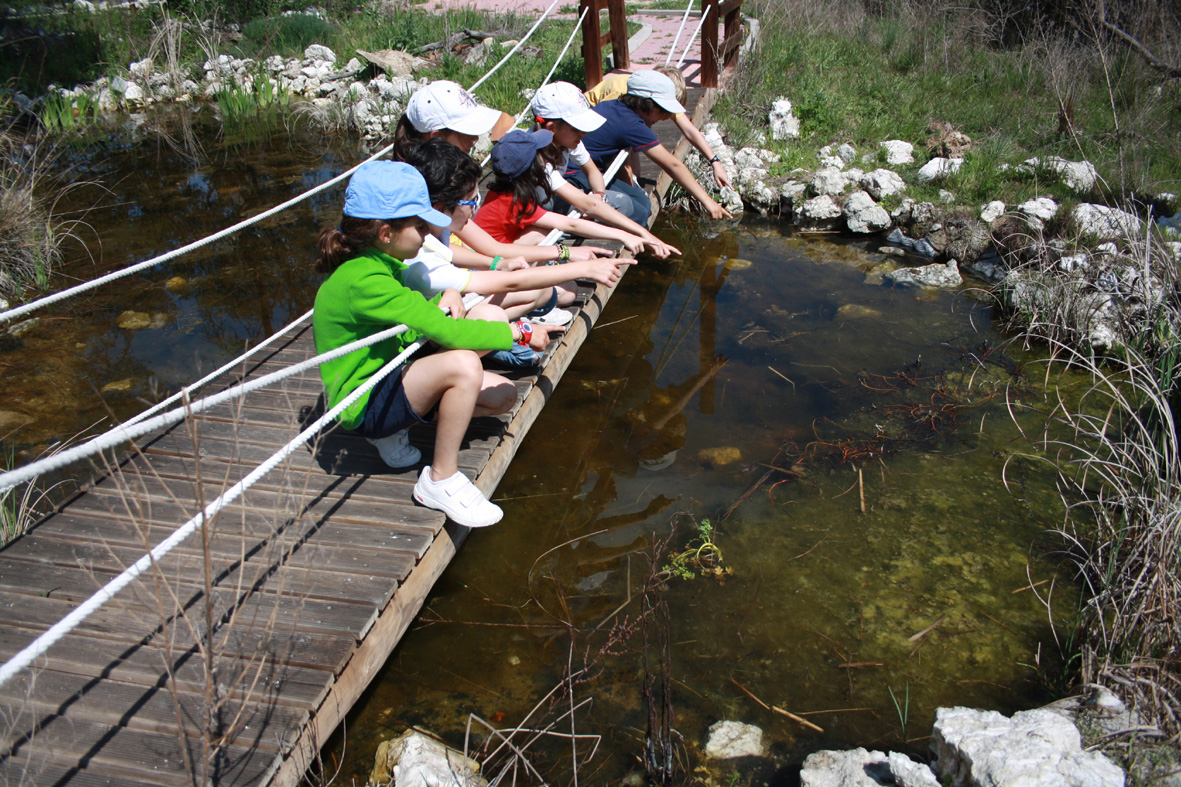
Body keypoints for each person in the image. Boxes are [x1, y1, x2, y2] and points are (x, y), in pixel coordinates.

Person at [312, 160, 562, 527]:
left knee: (501, 397)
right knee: (463, 364)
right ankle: (439, 479)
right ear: (385, 232)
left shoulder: (379, 263)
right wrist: (517, 333)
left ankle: (395, 429)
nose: (429, 233)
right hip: (362, 402)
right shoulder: (364, 280)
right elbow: (449, 335)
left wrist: (440, 300)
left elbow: (409, 326)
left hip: (387, 373)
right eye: (420, 226)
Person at [401, 138, 634, 366]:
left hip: (449, 305)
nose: (476, 208)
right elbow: (511, 282)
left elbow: (451, 251)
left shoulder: (432, 226)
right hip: (421, 344)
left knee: (544, 292)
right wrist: (585, 267)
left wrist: (495, 264)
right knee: (499, 317)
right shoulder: (421, 264)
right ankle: (481, 353)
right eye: (472, 202)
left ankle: (497, 340)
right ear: (441, 207)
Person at [394, 81, 615, 269]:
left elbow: (484, 247)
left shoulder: (431, 178)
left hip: (466, 264)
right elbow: (440, 253)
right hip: (450, 279)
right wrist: (561, 253)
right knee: (553, 291)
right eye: (467, 132)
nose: (475, 139)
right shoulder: (422, 193)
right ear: (436, 137)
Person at [529, 81, 682, 259]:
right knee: (624, 208)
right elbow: (588, 206)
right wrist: (643, 234)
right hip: (541, 212)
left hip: (553, 204)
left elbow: (592, 171)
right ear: (552, 128)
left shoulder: (567, 141)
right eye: (578, 128)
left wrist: (598, 194)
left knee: (630, 207)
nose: (584, 134)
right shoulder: (538, 162)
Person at [568, 70, 732, 223]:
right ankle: (579, 214)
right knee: (638, 214)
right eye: (663, 111)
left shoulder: (615, 105)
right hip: (573, 175)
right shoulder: (632, 124)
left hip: (588, 169)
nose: (666, 117)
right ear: (645, 104)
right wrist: (707, 201)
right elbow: (673, 166)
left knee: (643, 204)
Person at [474, 129, 653, 251]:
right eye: (540, 152)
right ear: (533, 167)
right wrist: (624, 235)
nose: (546, 154)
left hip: (488, 247)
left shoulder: (503, 192)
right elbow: (571, 224)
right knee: (567, 290)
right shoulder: (516, 203)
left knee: (542, 231)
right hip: (492, 256)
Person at [584, 66, 733, 191]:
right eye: (665, 111)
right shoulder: (626, 95)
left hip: (625, 125)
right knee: (625, 158)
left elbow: (690, 131)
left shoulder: (658, 99)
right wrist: (632, 186)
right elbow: (621, 138)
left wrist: (715, 162)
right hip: (588, 122)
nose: (667, 116)